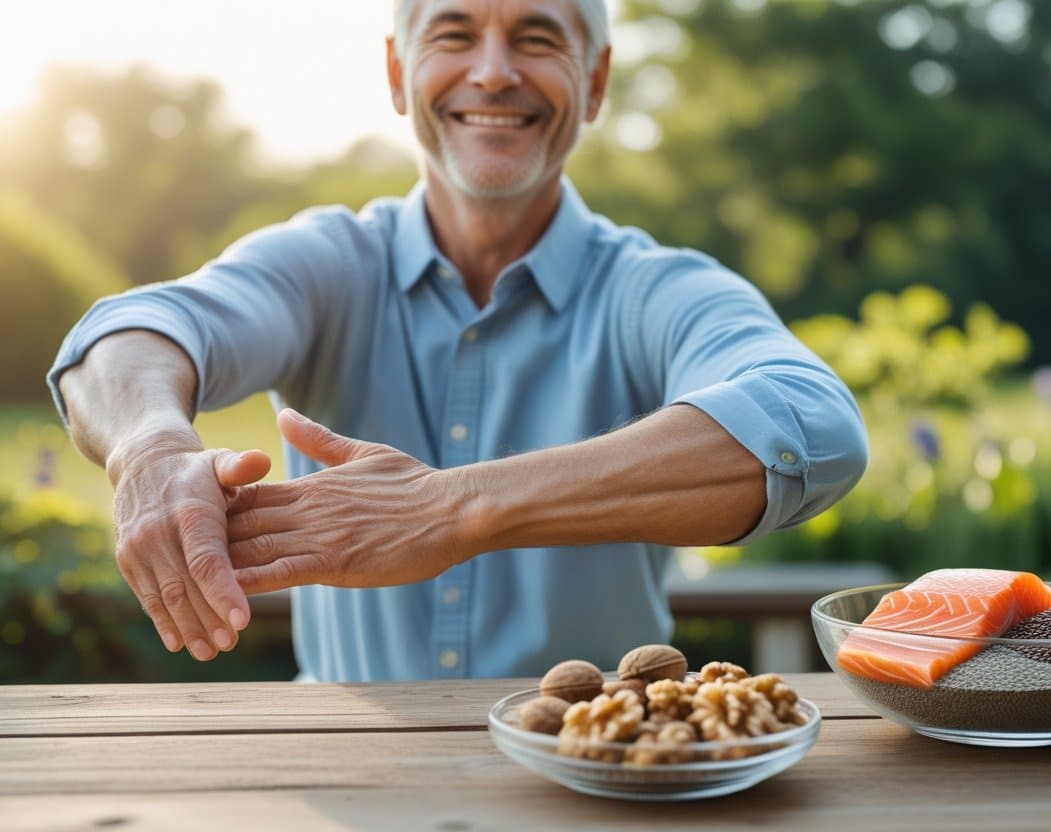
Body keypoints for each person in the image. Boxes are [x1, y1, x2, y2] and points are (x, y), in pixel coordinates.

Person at [48, 0, 867, 681]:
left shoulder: (652, 289)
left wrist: (454, 509)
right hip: (355, 786)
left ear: (597, 80)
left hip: (604, 782)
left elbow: (813, 424)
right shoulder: (329, 263)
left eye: (538, 38)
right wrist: (150, 444)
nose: (494, 70)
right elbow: (130, 335)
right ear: (399, 75)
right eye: (454, 33)